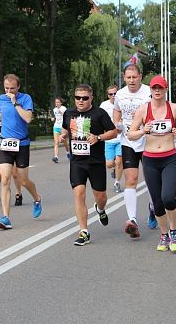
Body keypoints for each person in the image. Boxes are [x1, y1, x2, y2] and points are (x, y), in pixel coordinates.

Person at [128, 75, 176, 253]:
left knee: (168, 197)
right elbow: (130, 134)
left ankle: (174, 230)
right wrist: (142, 130)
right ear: (151, 90)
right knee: (157, 202)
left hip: (170, 158)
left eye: (160, 88)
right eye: (154, 88)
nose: (157, 91)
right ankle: (164, 234)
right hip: (150, 160)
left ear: (165, 89)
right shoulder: (142, 110)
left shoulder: (175, 108)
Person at [59, 84, 117, 246]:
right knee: (79, 194)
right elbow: (65, 129)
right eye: (78, 98)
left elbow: (113, 132)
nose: (81, 101)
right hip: (77, 162)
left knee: (101, 197)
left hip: (96, 162)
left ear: (91, 98)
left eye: (85, 98)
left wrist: (98, 137)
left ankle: (100, 209)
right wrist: (63, 136)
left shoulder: (99, 113)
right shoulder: (69, 113)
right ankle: (84, 231)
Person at [0, 74, 42, 229]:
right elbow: (4, 114)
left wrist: (15, 102)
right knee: (5, 180)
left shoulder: (25, 98)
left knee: (23, 180)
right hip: (6, 144)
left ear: (18, 87)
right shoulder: (2, 99)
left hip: (22, 144)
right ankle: (6, 217)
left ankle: (37, 198)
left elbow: (28, 118)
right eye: (6, 88)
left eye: (12, 88)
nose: (9, 91)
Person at [113, 64, 157, 237]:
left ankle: (153, 208)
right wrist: (117, 125)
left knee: (151, 180)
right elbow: (117, 112)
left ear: (140, 76)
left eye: (134, 77)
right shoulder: (120, 94)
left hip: (148, 141)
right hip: (128, 141)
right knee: (130, 180)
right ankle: (133, 220)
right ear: (124, 77)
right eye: (128, 77)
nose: (131, 80)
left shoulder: (148, 92)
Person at [0, 110, 23, 206]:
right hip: (0, 145)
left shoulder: (14, 112)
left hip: (12, 145)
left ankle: (19, 193)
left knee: (14, 173)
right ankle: (6, 188)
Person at [99, 85, 123, 193]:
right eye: (111, 94)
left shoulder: (123, 103)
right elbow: (98, 120)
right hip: (109, 139)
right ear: (108, 95)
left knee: (119, 161)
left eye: (115, 93)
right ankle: (114, 169)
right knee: (109, 164)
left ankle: (117, 183)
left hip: (121, 138)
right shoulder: (104, 105)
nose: (113, 96)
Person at [51, 97, 70, 162]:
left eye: (58, 102)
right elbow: (57, 117)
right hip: (56, 127)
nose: (57, 103)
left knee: (65, 143)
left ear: (61, 103)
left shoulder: (64, 108)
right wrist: (54, 119)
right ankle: (56, 157)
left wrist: (60, 112)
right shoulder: (54, 109)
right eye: (56, 102)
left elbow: (66, 117)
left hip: (63, 127)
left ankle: (68, 153)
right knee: (56, 142)